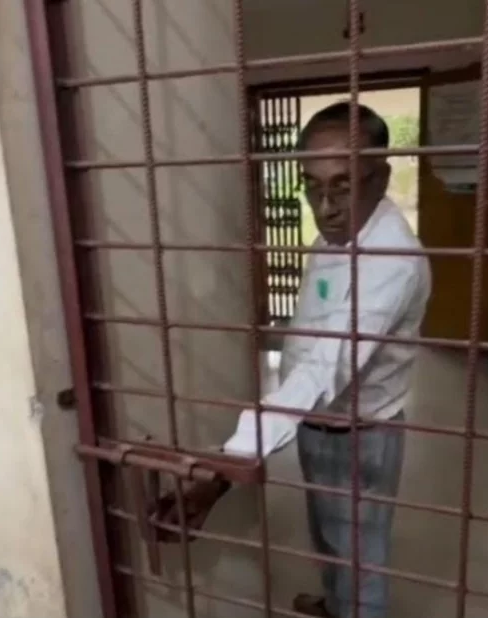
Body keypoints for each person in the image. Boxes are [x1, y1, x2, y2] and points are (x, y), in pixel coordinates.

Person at [151, 102, 431, 618]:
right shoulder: (337, 235)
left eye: (343, 186)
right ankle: (336, 605)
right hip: (316, 425)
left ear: (381, 177)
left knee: (361, 560)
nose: (325, 207)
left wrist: (226, 466)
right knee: (328, 536)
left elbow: (326, 365)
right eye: (312, 186)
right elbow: (313, 330)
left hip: (361, 436)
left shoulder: (391, 260)